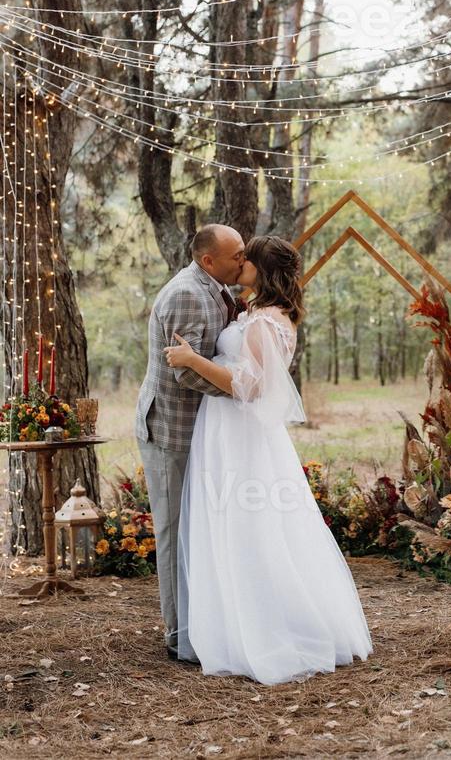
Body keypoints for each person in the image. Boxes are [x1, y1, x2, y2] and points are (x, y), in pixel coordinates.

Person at [165, 234, 373, 685]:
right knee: (249, 524)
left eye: (246, 259)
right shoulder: (262, 313)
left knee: (247, 525)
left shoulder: (263, 322)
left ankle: (261, 629)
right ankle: (236, 621)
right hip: (232, 431)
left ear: (260, 269)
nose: (239, 263)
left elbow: (251, 386)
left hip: (238, 431)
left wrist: (192, 359)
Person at [136, 224, 245, 660]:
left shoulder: (218, 288)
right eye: (236, 253)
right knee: (174, 531)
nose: (244, 258)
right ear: (208, 260)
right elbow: (184, 369)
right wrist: (241, 391)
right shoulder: (186, 293)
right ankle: (178, 635)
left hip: (202, 433)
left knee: (199, 531)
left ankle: (207, 623)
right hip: (171, 429)